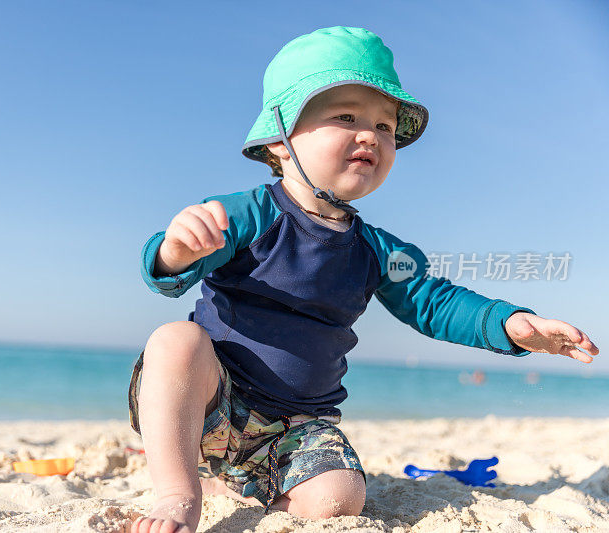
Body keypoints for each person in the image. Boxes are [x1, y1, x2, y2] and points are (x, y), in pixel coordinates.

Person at [127, 27, 599, 533]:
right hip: (212, 400)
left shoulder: (379, 250)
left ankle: (244, 482)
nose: (370, 135)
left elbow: (432, 302)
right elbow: (170, 277)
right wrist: (175, 252)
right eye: (346, 117)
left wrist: (510, 323)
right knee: (176, 339)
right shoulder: (251, 213)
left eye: (385, 126)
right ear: (280, 141)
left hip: (296, 427)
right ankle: (179, 491)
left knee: (341, 497)